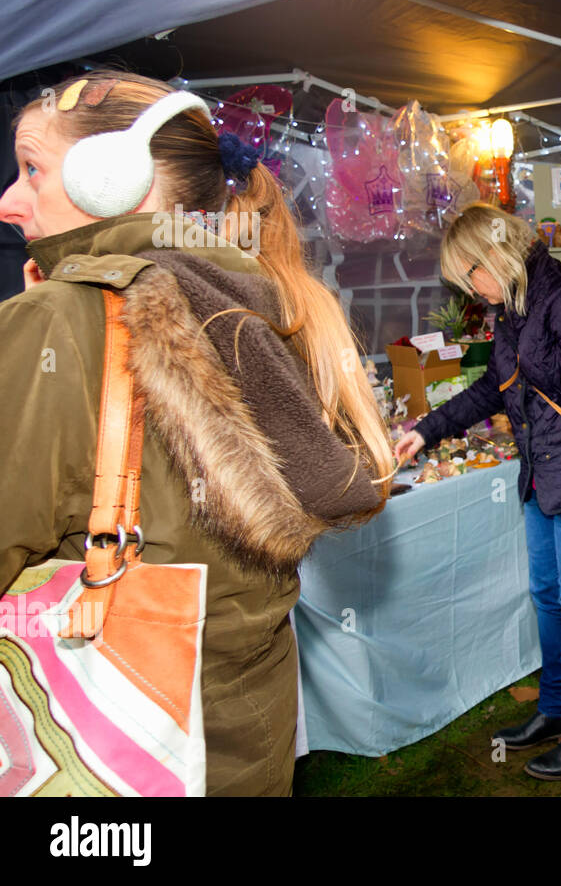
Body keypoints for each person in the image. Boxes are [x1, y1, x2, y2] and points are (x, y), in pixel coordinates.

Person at [0, 69, 392, 795]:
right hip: (244, 736)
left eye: (32, 168)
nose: (9, 200)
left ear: (115, 179)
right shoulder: (259, 300)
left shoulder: (58, 321)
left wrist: (40, 330)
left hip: (104, 745)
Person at [394, 203, 561, 781]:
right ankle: (556, 709)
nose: (471, 291)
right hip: (543, 477)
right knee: (548, 599)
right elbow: (494, 387)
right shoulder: (515, 306)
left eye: (470, 275)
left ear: (496, 257)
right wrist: (426, 429)